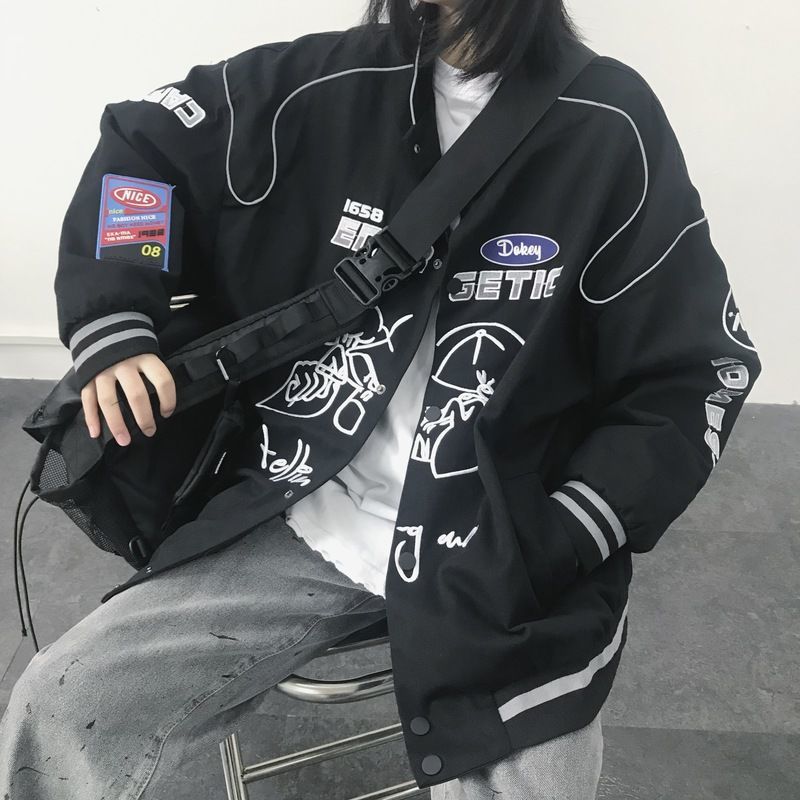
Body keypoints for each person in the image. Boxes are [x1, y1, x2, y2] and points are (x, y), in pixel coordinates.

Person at [1, 0, 761, 798]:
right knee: (62, 706)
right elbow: (145, 143)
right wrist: (117, 322)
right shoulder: (319, 83)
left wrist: (566, 531)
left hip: (506, 545)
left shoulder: (613, 123)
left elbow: (697, 372)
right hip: (302, 509)